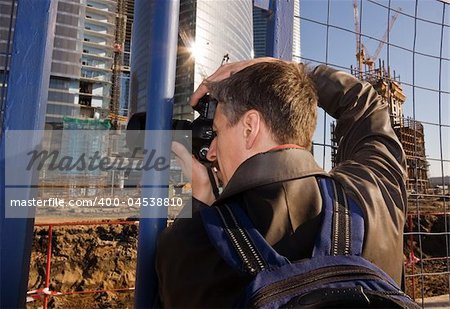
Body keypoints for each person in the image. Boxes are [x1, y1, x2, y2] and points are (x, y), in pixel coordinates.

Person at [156, 58, 407, 308]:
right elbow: (366, 104)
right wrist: (292, 72)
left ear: (249, 128)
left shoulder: (189, 244)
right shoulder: (375, 193)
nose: (211, 153)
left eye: (218, 132)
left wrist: (201, 206)